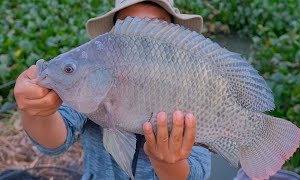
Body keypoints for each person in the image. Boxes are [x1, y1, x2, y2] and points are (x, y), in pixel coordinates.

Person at [14, 0, 211, 179]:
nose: (142, 37)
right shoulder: (91, 73)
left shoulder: (196, 85)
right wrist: (36, 111)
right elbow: (55, 142)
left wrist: (168, 163)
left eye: (156, 26)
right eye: (130, 24)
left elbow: (198, 173)